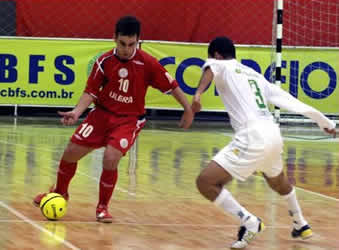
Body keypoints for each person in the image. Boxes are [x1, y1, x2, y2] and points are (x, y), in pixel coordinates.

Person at [33, 16, 194, 223]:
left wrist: (188, 109)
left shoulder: (147, 63)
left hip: (129, 120)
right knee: (70, 152)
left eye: (131, 44)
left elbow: (172, 86)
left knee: (110, 157)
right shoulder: (104, 61)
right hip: (101, 115)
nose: (127, 49)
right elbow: (90, 92)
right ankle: (60, 194)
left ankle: (102, 207)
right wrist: (76, 111)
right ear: (114, 39)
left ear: (138, 41)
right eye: (122, 44)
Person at [191, 36, 336, 249]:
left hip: (252, 136)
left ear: (217, 55)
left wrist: (197, 94)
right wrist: (324, 121)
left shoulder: (219, 64)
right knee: (277, 182)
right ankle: (301, 223)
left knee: (206, 182)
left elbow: (211, 69)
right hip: (273, 134)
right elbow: (290, 100)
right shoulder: (255, 76)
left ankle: (250, 222)